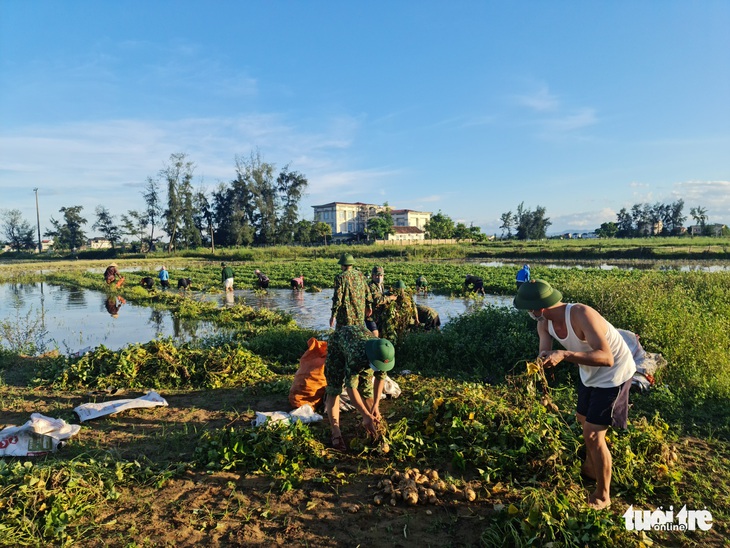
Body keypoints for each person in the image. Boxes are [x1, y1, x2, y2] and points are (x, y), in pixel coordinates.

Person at [513, 279, 636, 510]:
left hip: (614, 374)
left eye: (529, 309)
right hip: (588, 373)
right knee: (582, 420)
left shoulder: (580, 314)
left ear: (538, 308)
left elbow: (606, 358)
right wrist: (541, 363)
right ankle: (591, 467)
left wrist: (564, 354)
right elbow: (544, 350)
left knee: (592, 434)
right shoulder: (544, 323)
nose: (529, 313)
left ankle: (603, 495)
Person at [324, 325, 395, 451]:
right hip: (338, 348)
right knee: (334, 390)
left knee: (367, 390)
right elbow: (351, 388)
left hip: (362, 350)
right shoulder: (356, 356)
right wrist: (364, 414)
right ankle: (336, 433)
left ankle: (374, 427)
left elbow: (380, 378)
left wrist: (376, 406)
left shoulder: (383, 354)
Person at [330, 253, 372, 330]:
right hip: (359, 314)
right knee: (359, 335)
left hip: (345, 316)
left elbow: (337, 298)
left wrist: (333, 315)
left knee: (343, 337)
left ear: (342, 265)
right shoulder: (360, 275)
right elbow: (367, 292)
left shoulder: (340, 278)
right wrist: (369, 306)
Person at [365, 266, 396, 337]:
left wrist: (389, 293)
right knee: (375, 334)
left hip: (378, 315)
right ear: (372, 276)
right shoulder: (371, 286)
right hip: (370, 315)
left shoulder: (381, 285)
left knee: (382, 334)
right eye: (377, 275)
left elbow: (381, 295)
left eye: (381, 275)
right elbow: (378, 300)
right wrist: (390, 298)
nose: (379, 278)